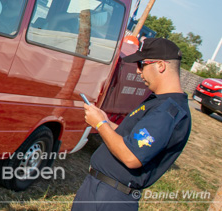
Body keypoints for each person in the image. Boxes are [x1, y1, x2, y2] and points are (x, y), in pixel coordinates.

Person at [71, 37, 191, 210]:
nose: (137, 71)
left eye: (141, 64)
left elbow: (131, 156)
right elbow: (131, 139)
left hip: (111, 197)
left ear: (160, 65)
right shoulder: (158, 102)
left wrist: (100, 125)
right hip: (101, 190)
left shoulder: (168, 111)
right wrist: (105, 121)